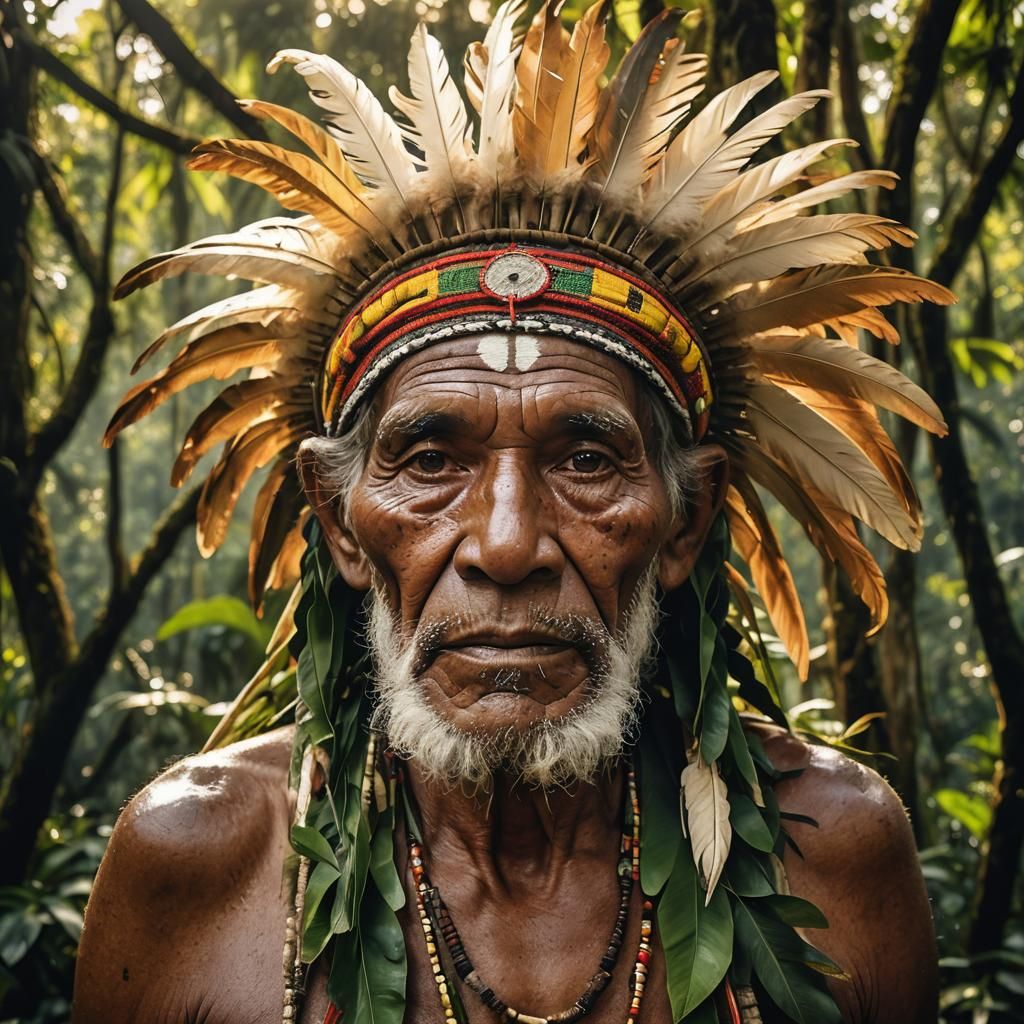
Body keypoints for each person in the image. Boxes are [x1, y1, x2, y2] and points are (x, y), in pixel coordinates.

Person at [73, 3, 950, 1022]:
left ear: (685, 519)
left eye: (586, 460)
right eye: (429, 460)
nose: (504, 544)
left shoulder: (840, 856)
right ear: (341, 521)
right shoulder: (196, 867)